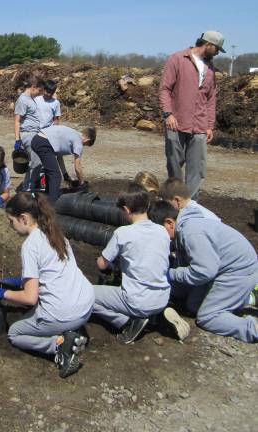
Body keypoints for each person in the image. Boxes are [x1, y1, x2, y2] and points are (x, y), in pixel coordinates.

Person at [0, 192, 94, 378]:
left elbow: (30, 298)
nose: (10, 226)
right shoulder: (56, 235)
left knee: (15, 333)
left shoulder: (30, 245)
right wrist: (21, 281)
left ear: (23, 218)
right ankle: (71, 332)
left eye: (11, 221)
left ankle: (59, 345)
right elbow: (53, 273)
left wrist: (2, 294)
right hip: (86, 305)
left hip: (64, 313)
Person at [150, 178, 258, 343]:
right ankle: (236, 299)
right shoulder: (185, 224)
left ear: (170, 223)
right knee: (193, 306)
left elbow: (204, 271)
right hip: (223, 267)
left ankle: (252, 329)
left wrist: (170, 274)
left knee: (207, 316)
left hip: (238, 271)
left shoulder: (191, 233)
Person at [93, 184, 189, 343]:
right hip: (163, 296)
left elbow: (101, 265)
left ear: (126, 209)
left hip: (137, 300)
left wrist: (102, 258)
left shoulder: (122, 233)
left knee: (86, 294)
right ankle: (155, 316)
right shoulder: (162, 231)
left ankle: (127, 322)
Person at [159, 31, 225, 200]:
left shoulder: (210, 68)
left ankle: (190, 205)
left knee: (197, 169)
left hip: (200, 125)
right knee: (174, 165)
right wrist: (168, 114)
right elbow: (165, 89)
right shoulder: (178, 59)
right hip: (177, 122)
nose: (217, 53)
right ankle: (174, 200)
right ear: (208, 44)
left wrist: (209, 125)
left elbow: (211, 98)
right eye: (217, 49)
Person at [30, 125, 94, 203]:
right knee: (55, 176)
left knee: (49, 172)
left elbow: (59, 156)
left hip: (36, 139)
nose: (83, 146)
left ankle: (43, 197)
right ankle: (51, 206)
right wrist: (82, 183)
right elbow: (78, 167)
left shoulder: (73, 133)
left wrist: (65, 175)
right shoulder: (78, 141)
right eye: (85, 145)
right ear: (87, 140)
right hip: (44, 143)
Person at [14, 76, 43, 190]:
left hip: (34, 134)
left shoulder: (30, 99)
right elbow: (17, 120)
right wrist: (17, 139)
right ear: (33, 87)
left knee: (38, 161)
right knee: (36, 163)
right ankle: (27, 189)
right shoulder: (23, 100)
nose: (39, 93)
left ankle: (36, 186)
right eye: (39, 90)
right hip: (28, 134)